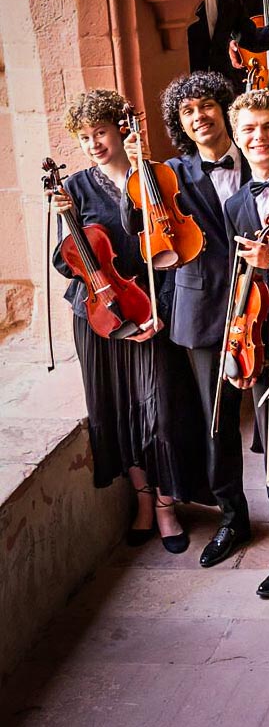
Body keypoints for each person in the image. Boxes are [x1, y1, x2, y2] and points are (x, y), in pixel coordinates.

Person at [52, 89, 206, 554]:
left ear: (120, 128)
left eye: (99, 132)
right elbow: (68, 262)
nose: (93, 143)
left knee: (159, 410)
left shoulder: (153, 177)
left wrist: (162, 310)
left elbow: (178, 251)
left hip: (153, 309)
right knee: (119, 412)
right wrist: (62, 223)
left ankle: (165, 504)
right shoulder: (73, 189)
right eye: (84, 137)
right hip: (103, 317)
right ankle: (143, 501)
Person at [124, 71, 252, 568]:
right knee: (216, 417)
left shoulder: (259, 159)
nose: (200, 117)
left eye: (206, 106)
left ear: (224, 108)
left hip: (264, 302)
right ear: (180, 123)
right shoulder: (167, 173)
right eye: (187, 111)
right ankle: (232, 515)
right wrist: (137, 163)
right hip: (201, 307)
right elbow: (141, 224)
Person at [222, 89, 269, 600]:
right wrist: (235, 341)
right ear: (236, 137)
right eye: (248, 130)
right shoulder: (235, 204)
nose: (259, 138)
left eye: (268, 126)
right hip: (261, 341)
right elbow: (236, 281)